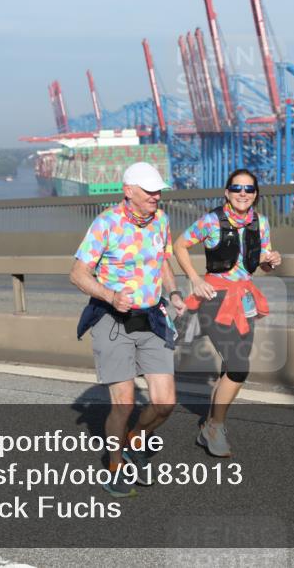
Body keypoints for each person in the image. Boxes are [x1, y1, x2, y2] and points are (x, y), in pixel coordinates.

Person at [70, 162, 186, 497]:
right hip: (112, 320)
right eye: (149, 190)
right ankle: (115, 466)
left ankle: (135, 438)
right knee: (123, 402)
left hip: (152, 318)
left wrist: (174, 292)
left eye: (158, 190)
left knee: (165, 403)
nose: (156, 196)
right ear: (128, 191)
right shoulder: (106, 223)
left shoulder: (161, 220)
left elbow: (162, 259)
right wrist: (109, 295)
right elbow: (77, 273)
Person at [174, 168, 281, 458]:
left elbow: (261, 262)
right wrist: (195, 279)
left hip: (244, 299)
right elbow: (179, 245)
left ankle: (210, 425)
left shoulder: (262, 222)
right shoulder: (211, 220)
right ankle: (215, 427)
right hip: (213, 297)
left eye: (249, 189)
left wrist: (272, 260)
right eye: (237, 188)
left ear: (256, 194)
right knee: (238, 366)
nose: (243, 194)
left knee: (232, 366)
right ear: (227, 192)